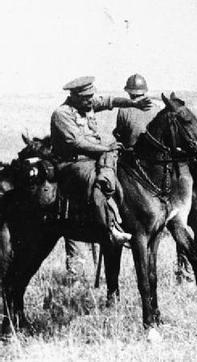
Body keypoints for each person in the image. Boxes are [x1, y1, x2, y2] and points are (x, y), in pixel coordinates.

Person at [51, 76, 150, 274]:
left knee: (118, 174)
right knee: (97, 181)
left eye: (91, 96)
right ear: (75, 96)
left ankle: (122, 219)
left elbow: (110, 101)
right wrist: (106, 148)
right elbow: (77, 143)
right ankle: (109, 227)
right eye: (87, 97)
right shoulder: (62, 114)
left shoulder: (86, 104)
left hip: (93, 156)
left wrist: (133, 103)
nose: (91, 100)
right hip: (73, 162)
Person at [113, 74, 160, 148]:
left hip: (132, 154)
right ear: (144, 90)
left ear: (129, 92)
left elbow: (119, 133)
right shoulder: (157, 108)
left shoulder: (123, 110)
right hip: (153, 153)